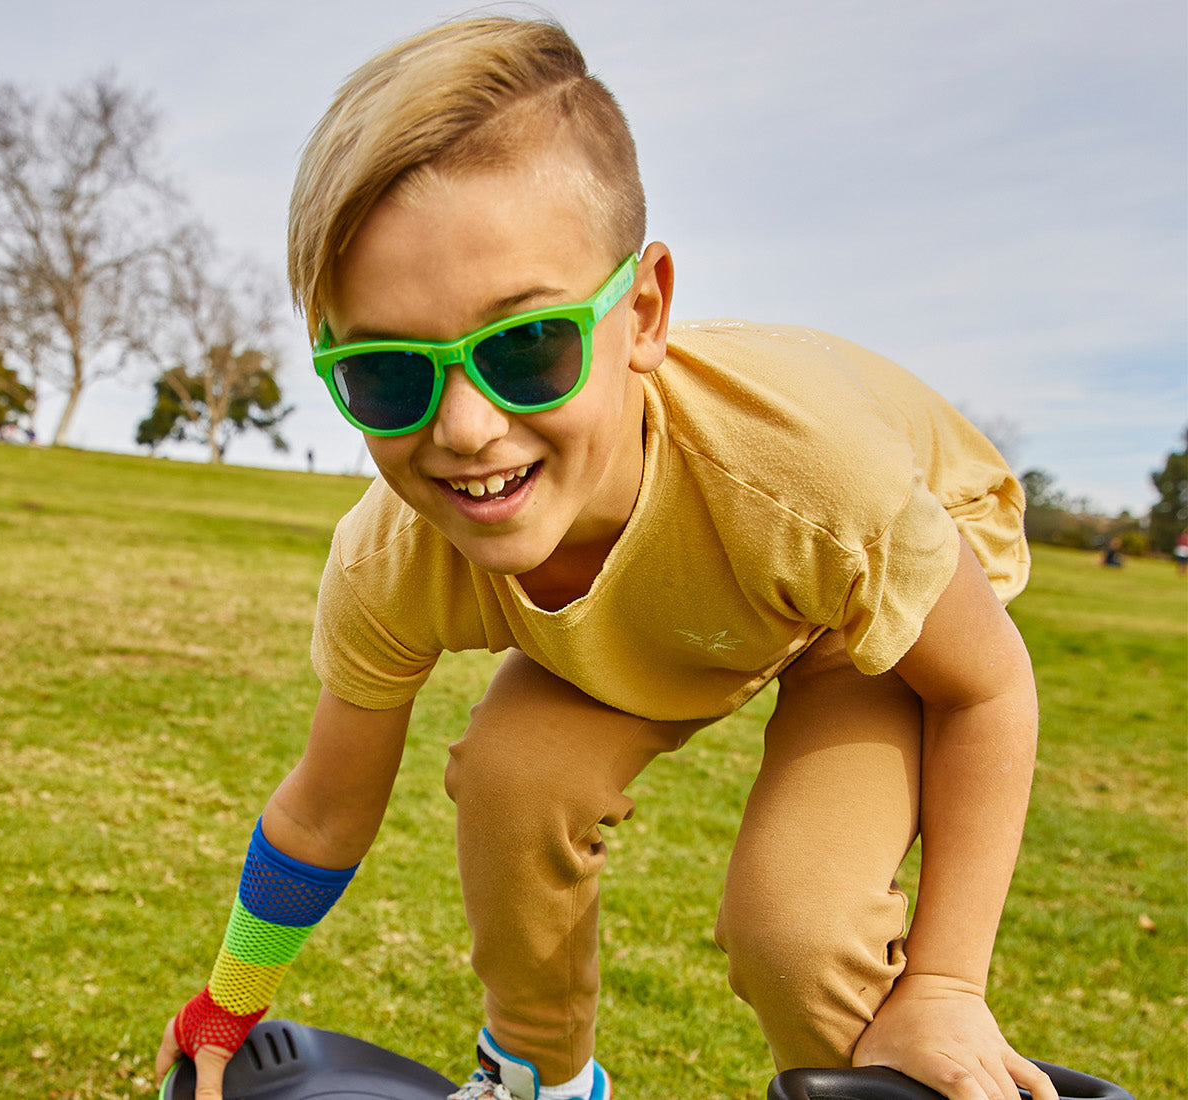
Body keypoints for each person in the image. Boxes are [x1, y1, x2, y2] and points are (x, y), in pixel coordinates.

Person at [156, 16, 1054, 1100]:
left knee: (795, 926)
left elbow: (988, 688)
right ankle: (538, 1074)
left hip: (863, 590)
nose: (466, 429)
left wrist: (950, 979)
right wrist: (228, 996)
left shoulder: (806, 478)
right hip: (697, 601)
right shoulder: (394, 554)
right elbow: (323, 805)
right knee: (513, 773)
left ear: (641, 313)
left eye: (527, 346)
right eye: (390, 373)